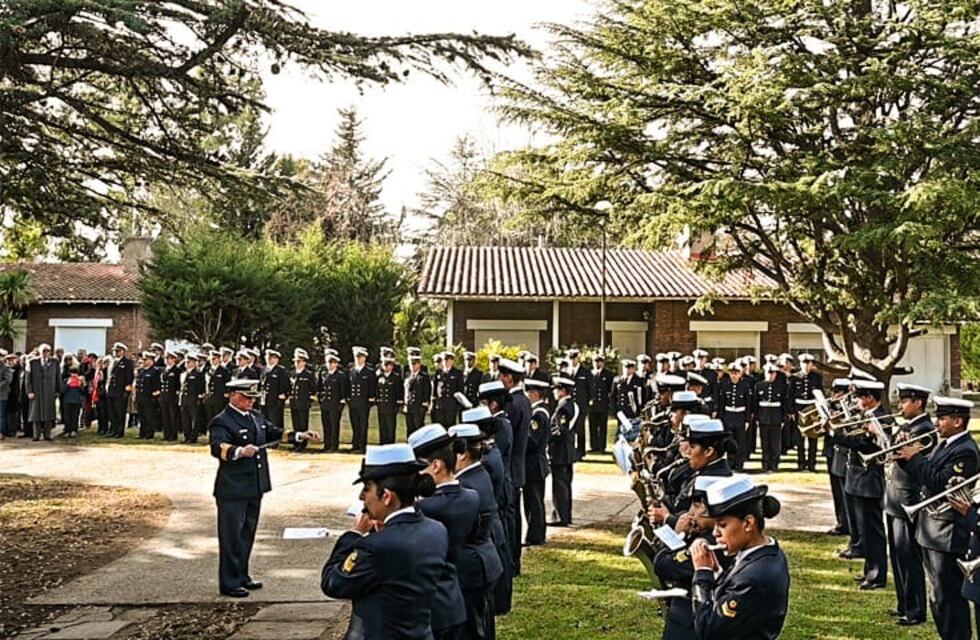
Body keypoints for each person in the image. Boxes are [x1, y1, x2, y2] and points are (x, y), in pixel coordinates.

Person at [321, 443, 451, 637]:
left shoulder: (376, 546)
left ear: (387, 496)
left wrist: (354, 534)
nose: (362, 497)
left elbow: (333, 582)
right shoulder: (437, 530)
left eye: (367, 489)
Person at [211, 378, 319, 597]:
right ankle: (229, 582)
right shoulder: (222, 421)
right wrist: (239, 451)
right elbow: (217, 447)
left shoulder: (255, 416)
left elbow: (274, 432)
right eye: (246, 398)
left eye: (252, 398)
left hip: (255, 485)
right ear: (233, 396)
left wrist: (300, 435)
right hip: (233, 488)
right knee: (232, 536)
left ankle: (242, 575)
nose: (250, 402)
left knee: (247, 533)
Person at [896, 396, 979, 640]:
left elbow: (941, 483)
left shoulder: (965, 451)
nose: (936, 423)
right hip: (932, 530)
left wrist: (915, 458)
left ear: (958, 421)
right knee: (938, 597)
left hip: (947, 533)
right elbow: (923, 475)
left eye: (942, 418)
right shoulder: (945, 445)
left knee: (949, 599)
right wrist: (905, 459)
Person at [689, 475, 790, 639]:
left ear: (748, 523)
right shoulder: (765, 552)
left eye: (722, 525)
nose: (715, 533)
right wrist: (717, 571)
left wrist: (702, 574)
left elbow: (708, 631)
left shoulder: (753, 578)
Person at [408, 424, 479, 640]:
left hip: (430, 600)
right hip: (453, 594)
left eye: (418, 469)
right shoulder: (471, 497)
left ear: (436, 465)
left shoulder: (425, 508)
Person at [654, 475, 734, 640]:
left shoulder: (709, 542)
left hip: (690, 625)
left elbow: (663, 565)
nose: (691, 512)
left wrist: (677, 535)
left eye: (697, 505)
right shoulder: (707, 535)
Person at [450, 422, 508, 640]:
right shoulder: (478, 473)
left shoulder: (466, 484)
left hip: (473, 563)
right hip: (483, 557)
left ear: (463, 454)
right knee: (481, 621)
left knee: (474, 626)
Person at [831, 379, 890, 590]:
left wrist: (836, 433)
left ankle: (877, 575)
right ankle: (869, 570)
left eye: (859, 397)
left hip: (868, 479)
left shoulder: (882, 418)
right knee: (864, 529)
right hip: (857, 477)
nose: (856, 402)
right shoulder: (867, 415)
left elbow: (863, 444)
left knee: (873, 530)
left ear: (870, 398)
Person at [882, 383, 933, 627]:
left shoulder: (925, 429)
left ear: (918, 403)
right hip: (894, 497)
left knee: (909, 556)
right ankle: (903, 602)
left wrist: (903, 453)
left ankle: (915, 609)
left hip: (908, 498)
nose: (900, 406)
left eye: (904, 401)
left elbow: (914, 464)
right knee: (897, 554)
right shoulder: (908, 426)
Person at [522, 378, 551, 547]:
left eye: (529, 392)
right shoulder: (538, 412)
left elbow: (533, 440)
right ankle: (536, 533)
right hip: (534, 463)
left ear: (534, 393)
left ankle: (535, 535)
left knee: (534, 502)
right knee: (533, 500)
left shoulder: (538, 414)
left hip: (534, 463)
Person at [548, 376, 578, 527]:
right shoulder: (570, 405)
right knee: (565, 485)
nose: (554, 392)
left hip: (560, 451)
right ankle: (564, 515)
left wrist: (547, 437)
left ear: (563, 391)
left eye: (556, 389)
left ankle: (561, 517)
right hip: (567, 451)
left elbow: (561, 431)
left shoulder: (563, 407)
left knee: (560, 486)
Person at [826, 378, 852, 542]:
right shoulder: (831, 406)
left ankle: (847, 523)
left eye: (838, 392)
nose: (835, 395)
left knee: (844, 492)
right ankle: (841, 521)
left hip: (843, 453)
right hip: (831, 450)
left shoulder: (849, 409)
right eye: (834, 392)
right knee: (836, 490)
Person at [718, 363, 751, 471]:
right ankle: (730, 463)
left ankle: (739, 463)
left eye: (736, 373)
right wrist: (721, 418)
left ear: (740, 374)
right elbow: (722, 404)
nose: (734, 376)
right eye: (732, 373)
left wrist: (747, 419)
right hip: (728, 416)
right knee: (729, 441)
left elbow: (748, 404)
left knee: (740, 441)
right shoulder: (725, 386)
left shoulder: (745, 386)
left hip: (740, 416)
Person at [753, 364, 786, 473]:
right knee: (765, 443)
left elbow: (783, 404)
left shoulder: (781, 386)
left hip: (776, 418)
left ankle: (774, 464)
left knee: (775, 443)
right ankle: (765, 464)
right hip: (763, 417)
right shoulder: (759, 386)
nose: (771, 375)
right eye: (769, 373)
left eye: (773, 373)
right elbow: (755, 403)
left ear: (776, 374)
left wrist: (783, 418)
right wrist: (756, 417)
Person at [794, 354, 822, 472]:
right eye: (803, 363)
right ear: (800, 364)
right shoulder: (795, 377)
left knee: (813, 437)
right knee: (799, 439)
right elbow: (790, 395)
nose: (806, 365)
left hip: (812, 409)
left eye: (808, 363)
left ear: (811, 364)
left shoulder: (816, 377)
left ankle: (811, 464)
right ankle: (801, 463)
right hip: (799, 408)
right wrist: (791, 411)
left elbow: (819, 393)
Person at [566, 349, 595, 459]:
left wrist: (588, 403)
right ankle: (571, 450)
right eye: (570, 358)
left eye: (574, 358)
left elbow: (591, 389)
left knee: (580, 428)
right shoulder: (567, 372)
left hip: (581, 404)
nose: (572, 361)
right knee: (570, 428)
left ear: (578, 359)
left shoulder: (585, 372)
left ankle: (580, 451)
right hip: (569, 404)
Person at [317, 352, 349, 452]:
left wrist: (341, 403)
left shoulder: (341, 376)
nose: (329, 365)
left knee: (334, 425)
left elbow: (343, 391)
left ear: (336, 364)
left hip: (335, 404)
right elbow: (320, 388)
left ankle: (334, 445)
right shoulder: (324, 374)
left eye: (332, 363)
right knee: (326, 425)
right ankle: (327, 444)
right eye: (328, 362)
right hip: (325, 403)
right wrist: (320, 399)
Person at [26, 344, 59, 441]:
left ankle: (47, 435)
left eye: (48, 351)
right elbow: (28, 379)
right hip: (37, 391)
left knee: (48, 413)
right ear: (40, 352)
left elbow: (58, 377)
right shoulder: (32, 362)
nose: (46, 353)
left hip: (49, 391)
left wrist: (57, 390)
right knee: (36, 413)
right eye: (44, 351)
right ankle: (36, 435)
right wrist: (29, 391)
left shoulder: (54, 362)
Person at [348, 346, 376, 453]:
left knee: (363, 424)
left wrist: (371, 400)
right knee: (354, 424)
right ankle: (355, 444)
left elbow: (372, 387)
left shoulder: (369, 372)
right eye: (356, 357)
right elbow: (347, 386)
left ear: (364, 358)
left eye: (360, 357)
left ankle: (362, 445)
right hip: (353, 402)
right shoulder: (351, 370)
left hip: (364, 403)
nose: (358, 359)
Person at [289, 348, 316, 451]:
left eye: (299, 361)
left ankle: (303, 444)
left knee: (303, 424)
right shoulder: (292, 373)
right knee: (295, 424)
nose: (296, 363)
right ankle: (296, 443)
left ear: (304, 362)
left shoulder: (308, 374)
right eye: (295, 361)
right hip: (294, 402)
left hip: (303, 402)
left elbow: (313, 388)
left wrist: (309, 398)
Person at [106, 342, 134, 438]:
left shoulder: (127, 363)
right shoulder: (113, 362)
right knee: (112, 412)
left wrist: (127, 391)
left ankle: (119, 431)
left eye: (118, 351)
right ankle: (113, 429)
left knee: (120, 412)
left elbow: (129, 377)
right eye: (115, 351)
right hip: (112, 390)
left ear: (123, 351)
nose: (116, 353)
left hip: (120, 391)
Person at [589, 354, 614, 454]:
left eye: (599, 362)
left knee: (603, 426)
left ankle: (602, 447)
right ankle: (594, 446)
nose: (597, 364)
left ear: (603, 363)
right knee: (592, 426)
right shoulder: (590, 374)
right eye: (595, 362)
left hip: (603, 404)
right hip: (592, 405)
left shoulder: (608, 375)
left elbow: (611, 390)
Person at [178, 352, 206, 443]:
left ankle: (193, 437)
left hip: (193, 399)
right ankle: (186, 436)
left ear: (194, 363)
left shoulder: (198, 374)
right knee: (185, 420)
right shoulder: (184, 373)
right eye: (186, 362)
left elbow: (201, 386)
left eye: (189, 362)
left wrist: (200, 396)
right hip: (184, 399)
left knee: (194, 420)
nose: (187, 364)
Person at [375, 357, 403, 445]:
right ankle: (382, 443)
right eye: (385, 365)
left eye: (388, 365)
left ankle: (390, 443)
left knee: (391, 427)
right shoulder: (380, 376)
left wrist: (398, 403)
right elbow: (377, 390)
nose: (386, 367)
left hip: (391, 405)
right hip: (382, 405)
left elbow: (399, 391)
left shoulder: (396, 377)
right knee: (382, 426)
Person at [261, 349, 291, 430]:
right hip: (265, 400)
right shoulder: (264, 370)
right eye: (267, 358)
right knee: (265, 421)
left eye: (270, 358)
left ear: (276, 359)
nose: (267, 360)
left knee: (275, 422)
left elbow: (286, 384)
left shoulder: (281, 370)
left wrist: (284, 394)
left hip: (275, 401)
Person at [433, 352, 464, 427]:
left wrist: (457, 405)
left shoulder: (457, 373)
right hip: (440, 404)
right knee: (440, 426)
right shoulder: (438, 372)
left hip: (451, 404)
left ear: (452, 361)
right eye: (444, 360)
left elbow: (460, 389)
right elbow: (435, 388)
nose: (445, 362)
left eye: (448, 360)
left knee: (450, 425)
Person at [404, 352, 431, 437]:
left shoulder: (424, 376)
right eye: (411, 364)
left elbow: (427, 390)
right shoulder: (408, 375)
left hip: (419, 406)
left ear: (419, 364)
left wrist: (425, 403)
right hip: (409, 406)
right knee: (410, 428)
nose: (412, 366)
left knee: (418, 427)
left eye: (414, 364)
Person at [135, 351, 161, 439]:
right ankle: (142, 432)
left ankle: (149, 433)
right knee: (142, 416)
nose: (144, 361)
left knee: (149, 416)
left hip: (149, 398)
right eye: (144, 359)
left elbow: (157, 385)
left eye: (146, 360)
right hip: (140, 397)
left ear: (151, 360)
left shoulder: (155, 371)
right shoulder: (141, 371)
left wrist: (155, 394)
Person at [159, 351, 181, 441]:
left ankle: (173, 434)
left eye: (169, 359)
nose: (167, 360)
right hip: (164, 396)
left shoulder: (177, 370)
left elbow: (178, 383)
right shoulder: (164, 370)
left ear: (174, 360)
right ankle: (166, 434)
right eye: (166, 359)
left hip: (172, 396)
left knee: (173, 416)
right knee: (165, 416)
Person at [60, 366, 86, 438]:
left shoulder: (79, 381)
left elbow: (83, 392)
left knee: (75, 416)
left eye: (75, 373)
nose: (74, 375)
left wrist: (80, 385)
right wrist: (68, 384)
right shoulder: (66, 380)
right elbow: (62, 391)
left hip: (76, 401)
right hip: (67, 401)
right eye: (72, 373)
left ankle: (74, 430)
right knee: (67, 417)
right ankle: (67, 430)